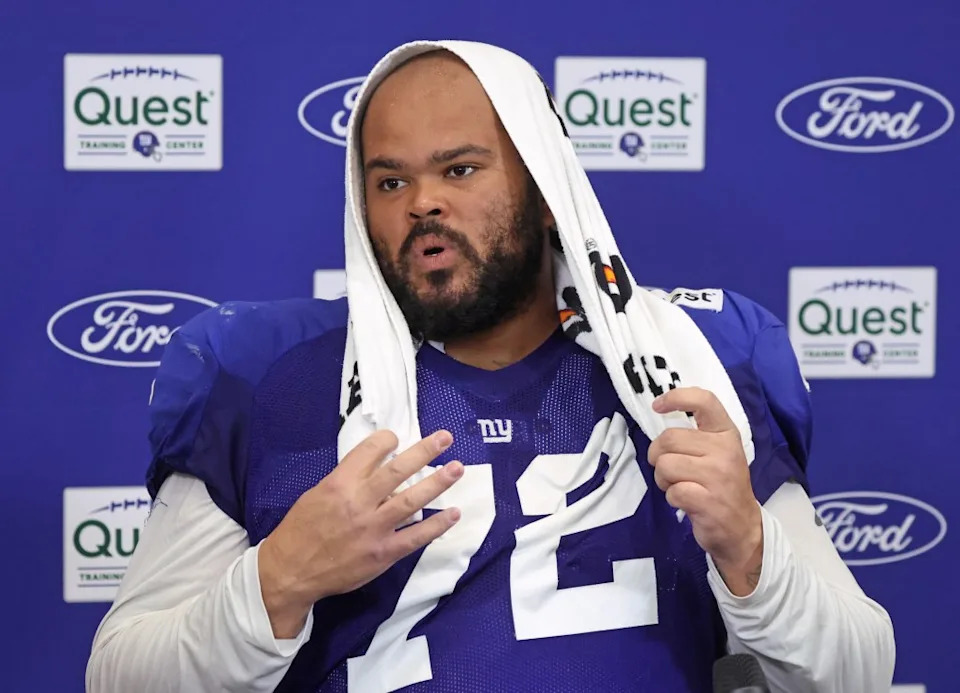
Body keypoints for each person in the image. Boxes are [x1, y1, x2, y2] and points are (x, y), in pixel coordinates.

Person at [86, 40, 895, 693]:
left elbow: (857, 671)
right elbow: (119, 673)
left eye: (459, 169)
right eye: (390, 180)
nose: (421, 203)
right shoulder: (270, 381)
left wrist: (751, 549)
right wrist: (275, 583)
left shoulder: (691, 363)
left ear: (548, 188)